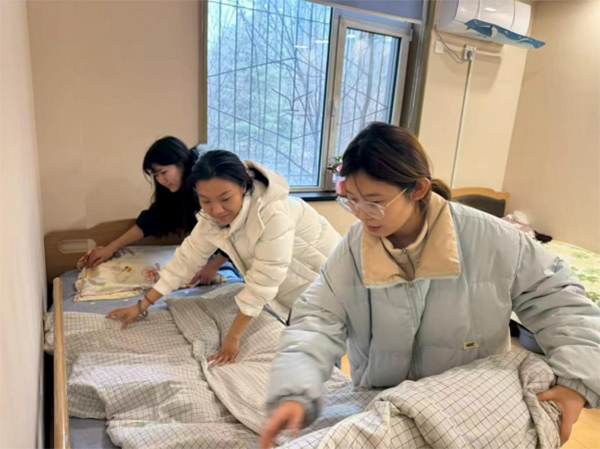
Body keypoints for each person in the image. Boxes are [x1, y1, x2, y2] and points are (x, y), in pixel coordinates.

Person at [261, 122, 600, 448]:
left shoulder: (492, 238)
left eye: (374, 202)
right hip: (383, 403)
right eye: (351, 200)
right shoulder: (355, 246)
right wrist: (295, 388)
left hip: (465, 410)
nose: (362, 214)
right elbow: (318, 318)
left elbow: (562, 302)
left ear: (418, 190)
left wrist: (577, 382)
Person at [107, 150, 342, 366]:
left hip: (332, 288)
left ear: (243, 187)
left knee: (325, 364)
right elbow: (185, 261)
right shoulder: (211, 219)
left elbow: (264, 281)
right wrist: (142, 306)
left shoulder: (273, 213)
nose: (217, 209)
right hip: (294, 292)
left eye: (225, 198)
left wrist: (232, 339)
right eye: (206, 201)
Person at [77, 136, 228, 285]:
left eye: (164, 172)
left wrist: (213, 267)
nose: (161, 180)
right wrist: (111, 248)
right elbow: (153, 219)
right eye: (156, 175)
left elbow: (232, 228)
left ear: (181, 164)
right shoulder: (177, 189)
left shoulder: (207, 182)